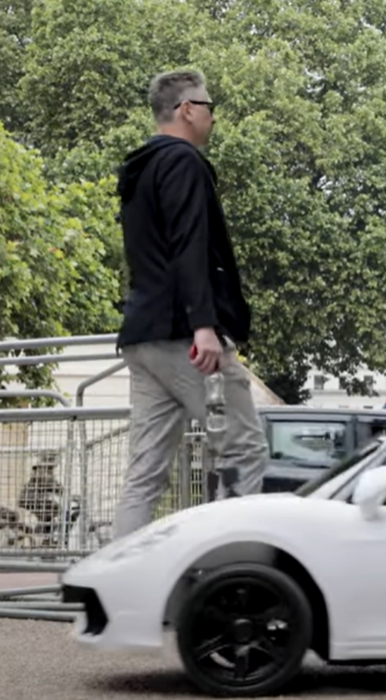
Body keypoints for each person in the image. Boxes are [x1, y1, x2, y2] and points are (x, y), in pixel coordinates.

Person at [112, 70, 267, 539]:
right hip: (185, 336)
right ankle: (230, 572)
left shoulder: (139, 169)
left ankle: (115, 591)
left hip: (144, 334)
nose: (213, 116)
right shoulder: (182, 162)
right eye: (209, 105)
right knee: (243, 449)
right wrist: (204, 325)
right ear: (186, 110)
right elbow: (189, 245)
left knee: (145, 472)